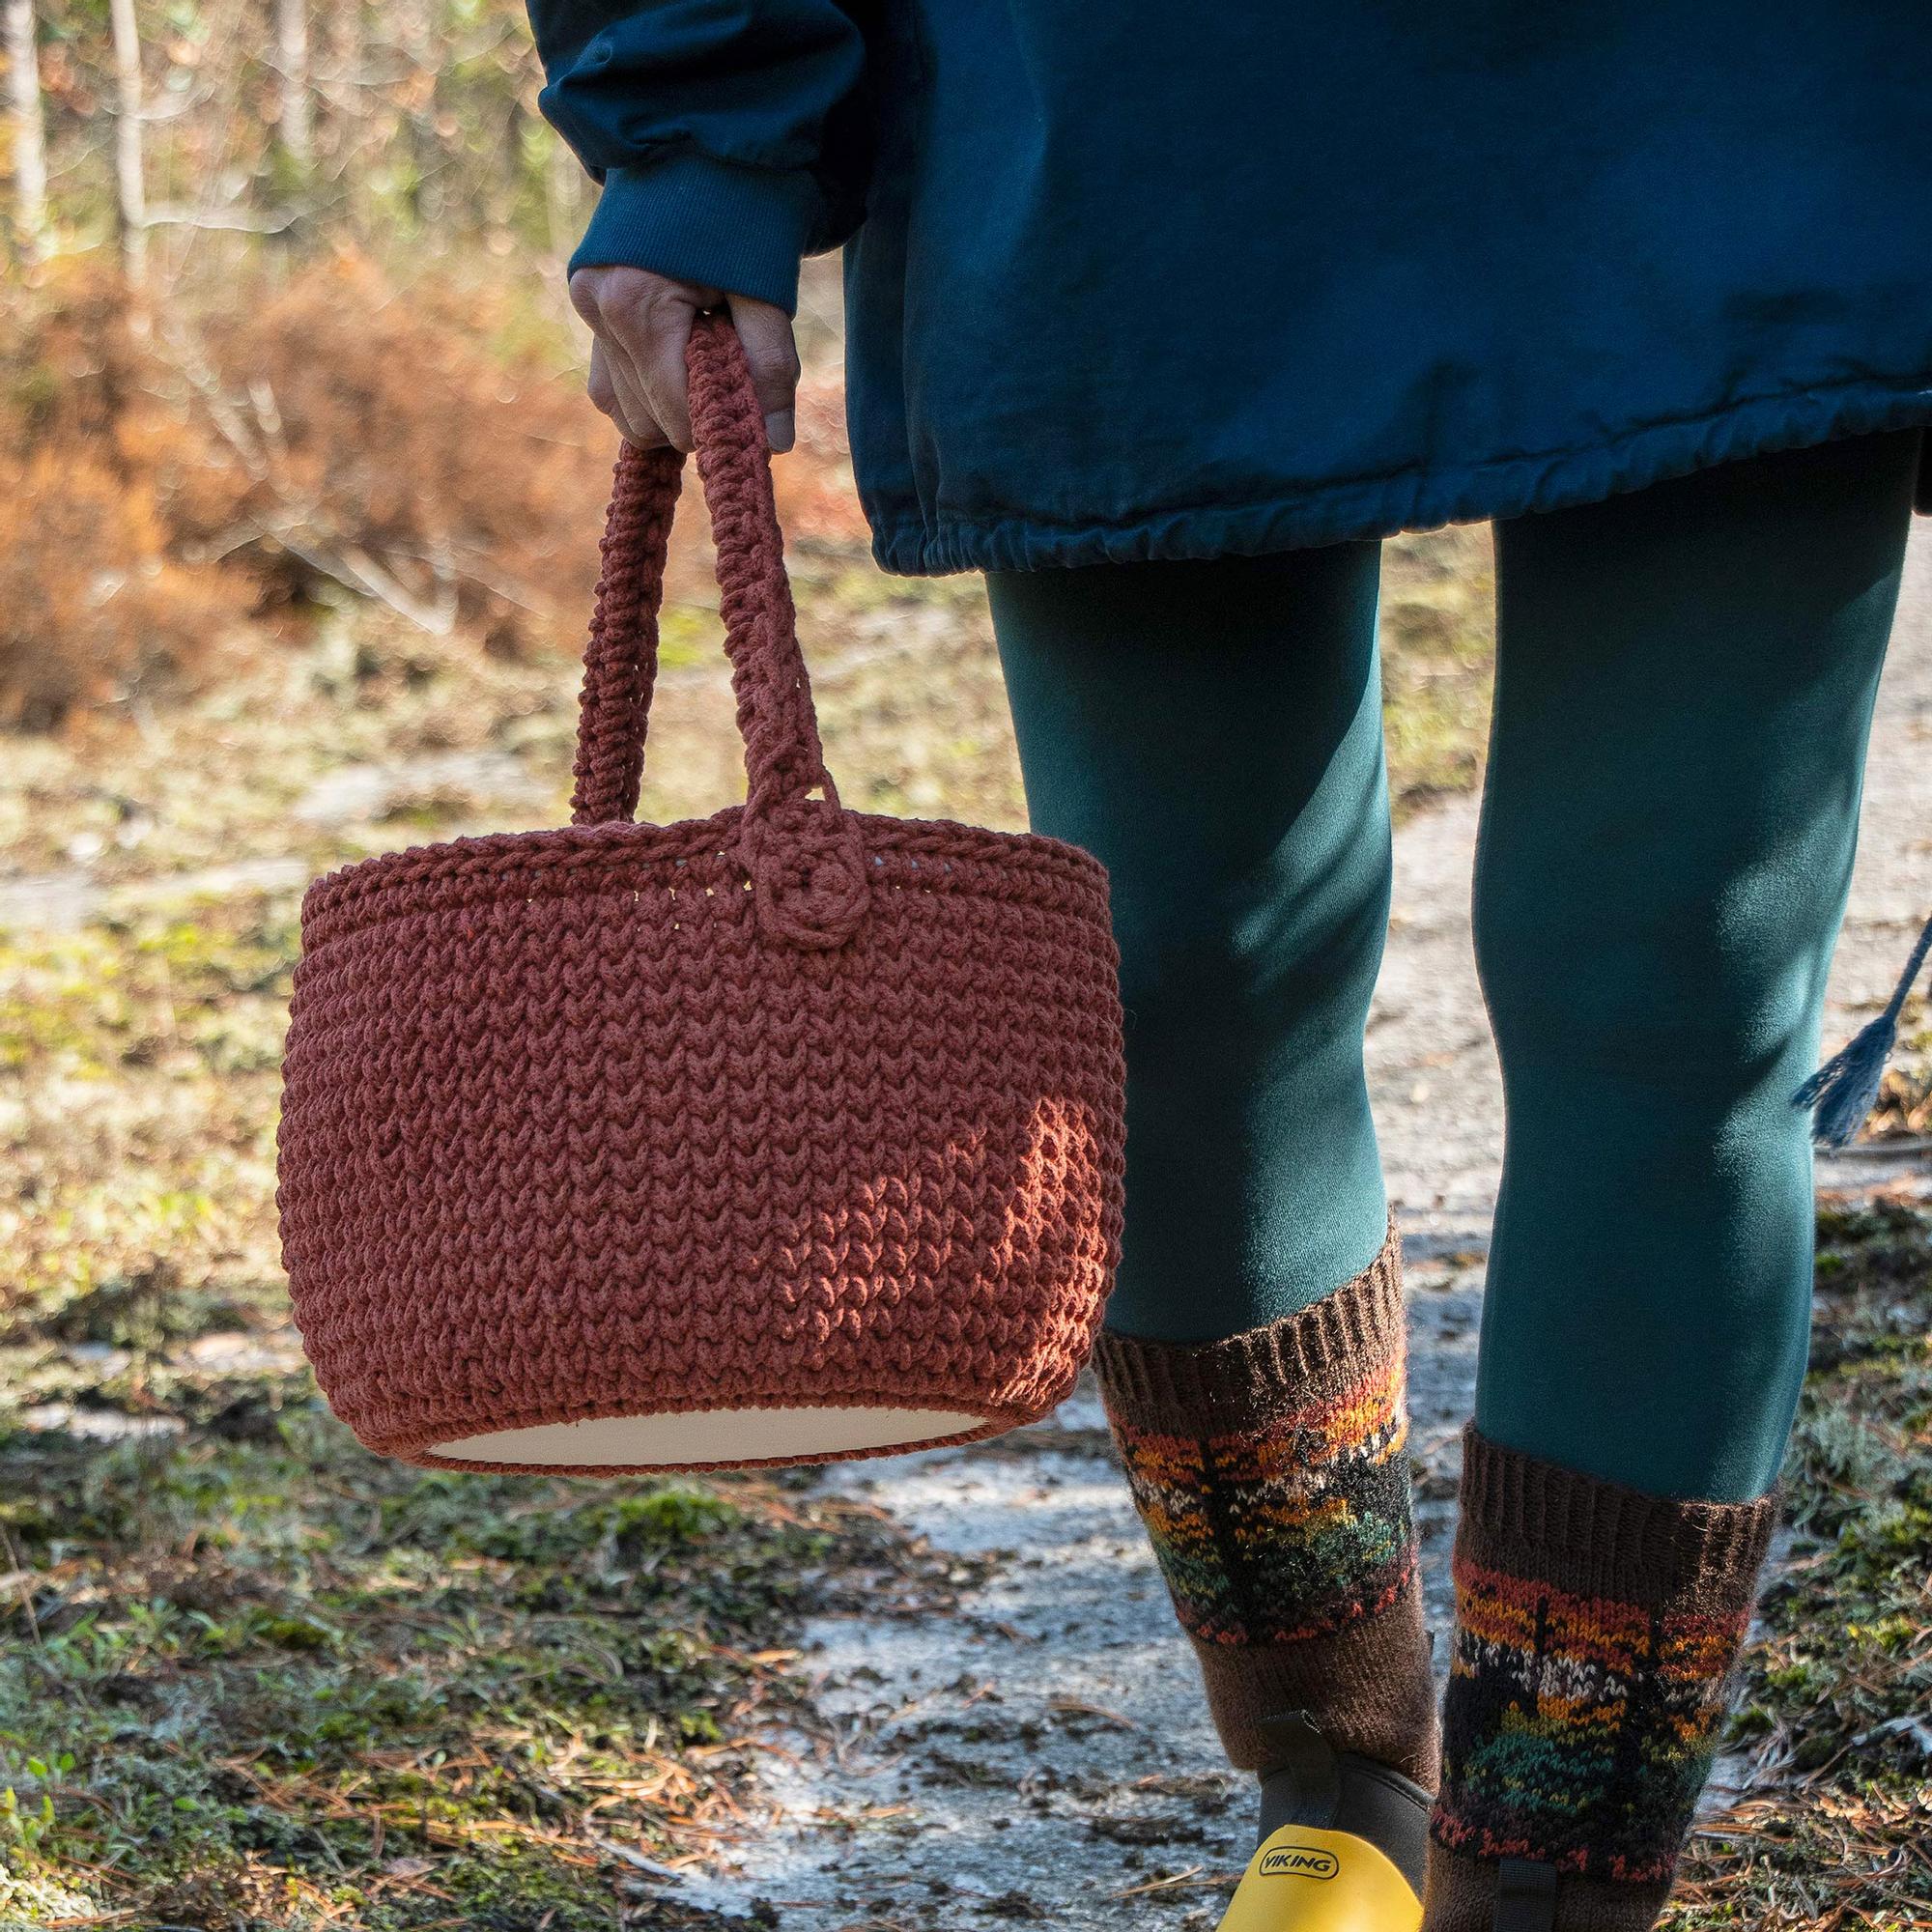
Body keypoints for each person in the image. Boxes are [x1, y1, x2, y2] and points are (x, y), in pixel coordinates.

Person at [520, 6, 1932, 1927]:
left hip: (1764, 92)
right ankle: (1338, 1784)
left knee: (1674, 987)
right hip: (1133, 102)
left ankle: (1553, 1884)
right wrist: (695, 118)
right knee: (1174, 985)